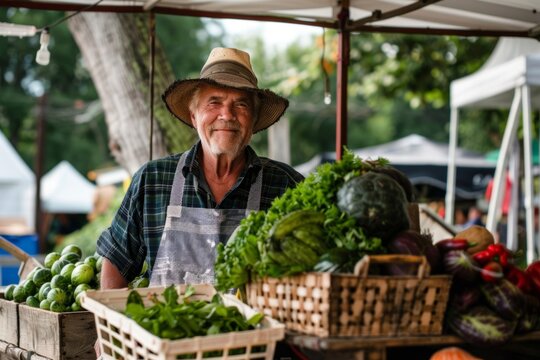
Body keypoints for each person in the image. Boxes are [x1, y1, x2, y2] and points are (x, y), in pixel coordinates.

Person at [96, 47, 304, 289]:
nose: (227, 114)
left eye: (241, 105)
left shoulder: (286, 185)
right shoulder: (152, 180)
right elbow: (118, 262)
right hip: (163, 326)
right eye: (214, 102)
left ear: (254, 120)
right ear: (194, 117)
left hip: (256, 327)